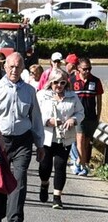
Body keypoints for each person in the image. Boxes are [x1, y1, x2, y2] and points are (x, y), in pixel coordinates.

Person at [0, 53, 44, 222]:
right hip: (0, 139)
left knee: (19, 178)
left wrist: (40, 144)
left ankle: (15, 219)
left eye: (18, 67)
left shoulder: (29, 90)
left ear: (23, 68)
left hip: (22, 139)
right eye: (11, 66)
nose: (14, 70)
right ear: (5, 67)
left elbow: (36, 119)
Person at [37, 68, 83, 209]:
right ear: (50, 82)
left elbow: (81, 112)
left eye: (62, 82)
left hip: (65, 138)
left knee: (60, 166)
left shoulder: (72, 96)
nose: (59, 85)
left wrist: (74, 120)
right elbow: (35, 114)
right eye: (56, 82)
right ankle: (44, 184)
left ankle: (57, 197)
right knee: (45, 166)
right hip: (47, 137)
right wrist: (47, 121)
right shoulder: (42, 95)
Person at [71, 57, 102, 176]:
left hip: (91, 117)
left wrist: (98, 116)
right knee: (80, 139)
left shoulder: (96, 81)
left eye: (89, 69)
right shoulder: (72, 80)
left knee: (86, 142)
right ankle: (81, 165)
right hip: (78, 116)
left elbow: (99, 100)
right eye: (85, 69)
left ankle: (78, 162)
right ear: (78, 69)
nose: (87, 71)